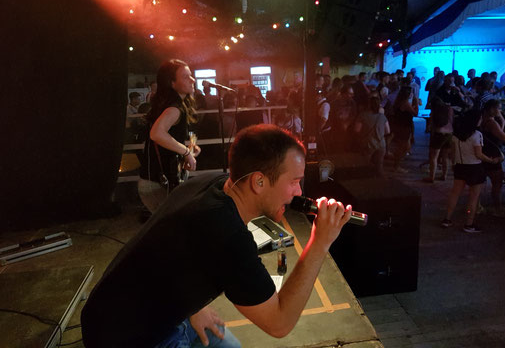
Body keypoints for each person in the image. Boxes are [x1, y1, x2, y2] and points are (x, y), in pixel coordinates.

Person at [81, 124, 353, 348]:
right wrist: (320, 242)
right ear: (258, 182)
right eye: (293, 181)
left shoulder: (212, 182)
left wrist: (192, 307)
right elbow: (279, 323)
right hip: (126, 338)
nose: (298, 192)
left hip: (123, 311)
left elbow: (165, 254)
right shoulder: (227, 234)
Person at [137, 59, 201, 215]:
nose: (192, 80)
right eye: (185, 77)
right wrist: (186, 152)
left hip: (157, 180)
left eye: (190, 75)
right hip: (157, 183)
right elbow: (156, 134)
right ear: (172, 83)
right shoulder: (174, 108)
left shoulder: (172, 105)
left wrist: (186, 150)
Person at [442, 110, 502, 233]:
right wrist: (491, 161)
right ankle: (469, 224)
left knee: (455, 194)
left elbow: (452, 153)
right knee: (473, 197)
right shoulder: (476, 135)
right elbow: (479, 155)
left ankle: (447, 219)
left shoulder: (456, 135)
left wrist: (453, 164)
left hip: (460, 166)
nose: (481, 120)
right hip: (475, 168)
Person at [354, 96, 390, 177]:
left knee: (364, 165)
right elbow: (388, 131)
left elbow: (357, 130)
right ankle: (379, 181)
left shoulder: (362, 115)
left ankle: (366, 180)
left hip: (367, 143)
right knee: (379, 165)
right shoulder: (382, 116)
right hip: (381, 143)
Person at [423, 98, 453, 183]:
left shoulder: (434, 110)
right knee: (445, 157)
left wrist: (430, 131)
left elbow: (431, 124)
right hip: (449, 134)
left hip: (438, 134)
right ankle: (444, 175)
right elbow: (451, 120)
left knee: (434, 156)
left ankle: (431, 177)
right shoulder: (449, 109)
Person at [389, 86, 418, 173]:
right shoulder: (405, 103)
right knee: (402, 147)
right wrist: (416, 103)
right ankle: (396, 166)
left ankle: (396, 163)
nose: (412, 94)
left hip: (400, 126)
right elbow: (415, 113)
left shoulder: (399, 101)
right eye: (411, 92)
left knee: (404, 147)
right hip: (404, 127)